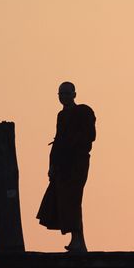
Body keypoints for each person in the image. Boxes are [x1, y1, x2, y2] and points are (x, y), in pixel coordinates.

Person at [37, 81, 96, 252]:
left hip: (77, 164)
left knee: (73, 200)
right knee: (64, 201)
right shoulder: (61, 116)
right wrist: (51, 165)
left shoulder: (83, 111)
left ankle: (78, 241)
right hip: (62, 165)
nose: (64, 97)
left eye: (67, 93)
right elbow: (58, 141)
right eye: (61, 94)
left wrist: (70, 146)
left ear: (74, 95)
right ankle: (78, 241)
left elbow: (90, 136)